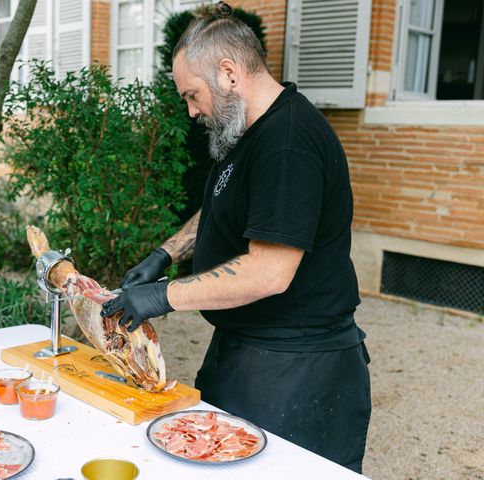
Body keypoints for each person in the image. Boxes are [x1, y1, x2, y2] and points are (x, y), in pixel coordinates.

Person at [100, 2, 371, 473]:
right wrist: (166, 253)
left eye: (192, 94)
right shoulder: (250, 132)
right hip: (247, 350)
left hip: (297, 369)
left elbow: (269, 270)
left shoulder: (288, 141)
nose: (190, 110)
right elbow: (225, 205)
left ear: (228, 73)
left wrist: (163, 296)